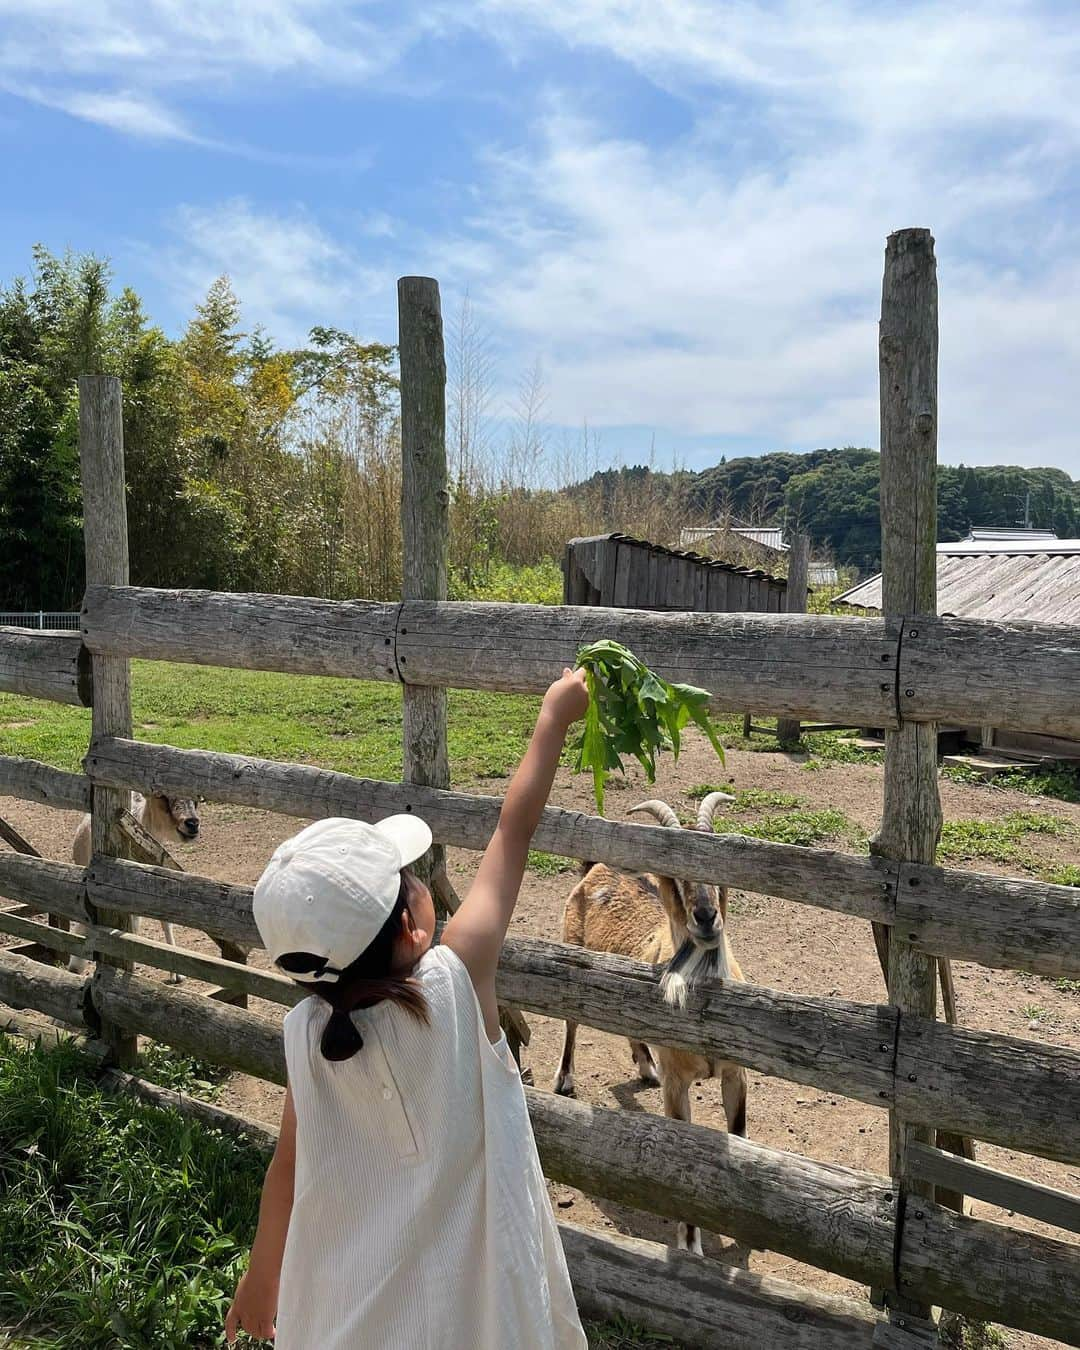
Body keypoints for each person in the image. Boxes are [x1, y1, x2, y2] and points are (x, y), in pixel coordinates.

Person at [226, 668, 591, 1349]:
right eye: (410, 880)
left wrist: (261, 1277)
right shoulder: (457, 980)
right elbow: (513, 833)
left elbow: (286, 1167)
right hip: (483, 1313)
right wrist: (552, 720)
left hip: (361, 1317)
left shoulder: (307, 1035)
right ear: (412, 929)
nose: (421, 883)